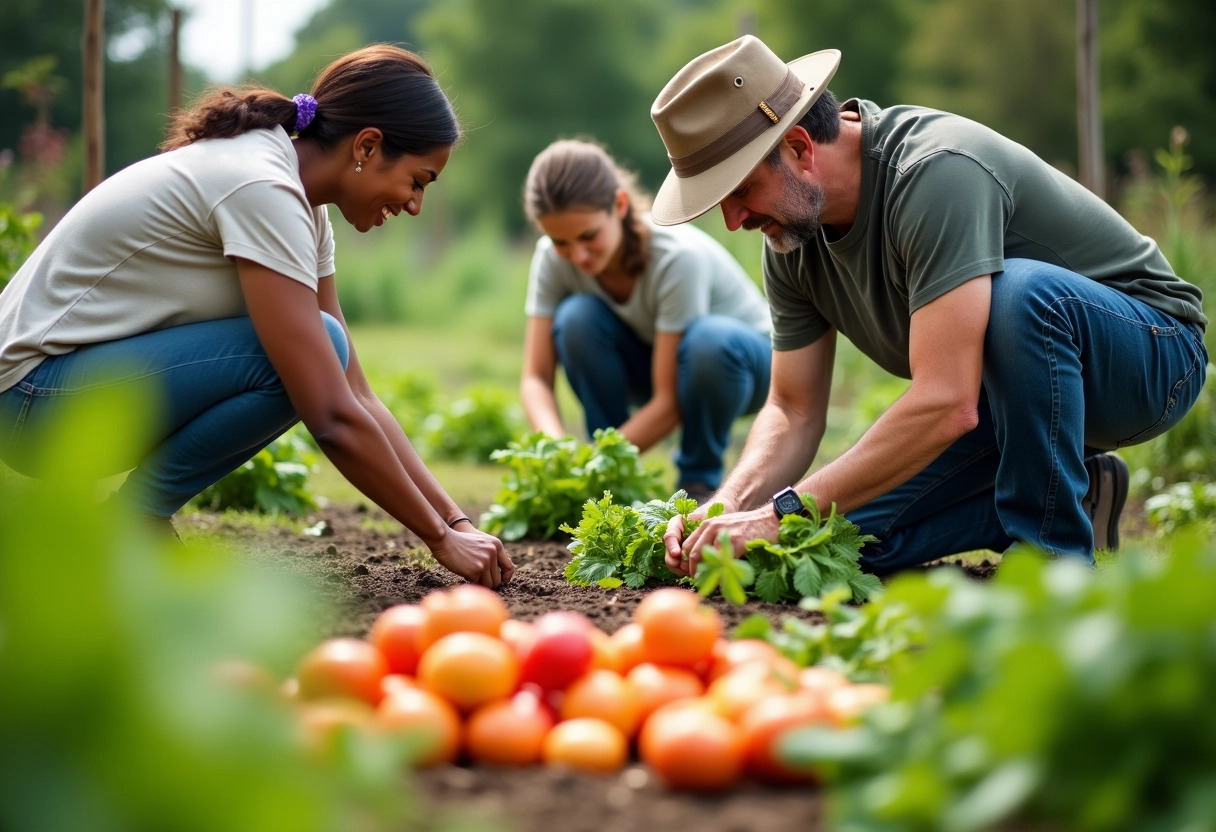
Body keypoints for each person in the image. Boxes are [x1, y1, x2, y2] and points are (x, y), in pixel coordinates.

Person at [650, 35, 1208, 577]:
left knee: (1019, 294)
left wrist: (780, 509)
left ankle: (1052, 564)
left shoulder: (935, 173)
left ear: (798, 148)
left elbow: (946, 403)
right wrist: (730, 508)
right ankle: (1077, 493)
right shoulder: (793, 236)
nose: (733, 221)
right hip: (1010, 401)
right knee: (829, 540)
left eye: (740, 192)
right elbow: (793, 409)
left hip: (1149, 355)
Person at [0, 44, 513, 588]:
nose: (415, 206)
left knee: (327, 349)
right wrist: (437, 539)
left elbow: (356, 392)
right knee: (317, 350)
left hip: (56, 395)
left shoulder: (298, 204)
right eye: (417, 180)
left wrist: (456, 521)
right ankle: (133, 520)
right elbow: (331, 413)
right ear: (367, 144)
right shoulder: (261, 186)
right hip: (29, 401)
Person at [520, 138, 773, 502]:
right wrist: (557, 450)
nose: (577, 255)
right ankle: (610, 488)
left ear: (619, 205)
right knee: (576, 319)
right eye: (560, 242)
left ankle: (699, 484)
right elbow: (535, 378)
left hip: (746, 366)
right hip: (662, 363)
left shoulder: (675, 257)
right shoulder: (551, 258)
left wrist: (595, 463)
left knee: (707, 343)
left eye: (589, 236)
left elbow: (670, 402)